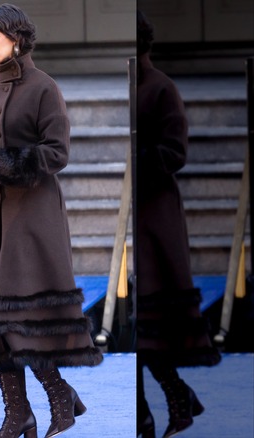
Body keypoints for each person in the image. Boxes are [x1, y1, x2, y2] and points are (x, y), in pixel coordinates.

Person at [0, 4, 103, 438]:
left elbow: (57, 152)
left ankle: (59, 397)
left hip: (31, 216)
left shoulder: (44, 88)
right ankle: (19, 413)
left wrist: (2, 161)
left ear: (15, 39)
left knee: (24, 314)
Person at [135, 10, 221, 438]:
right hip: (131, 217)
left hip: (154, 219)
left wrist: (138, 154)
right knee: (134, 325)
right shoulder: (129, 87)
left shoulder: (160, 87)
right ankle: (163, 405)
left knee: (148, 325)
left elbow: (175, 152)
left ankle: (166, 403)